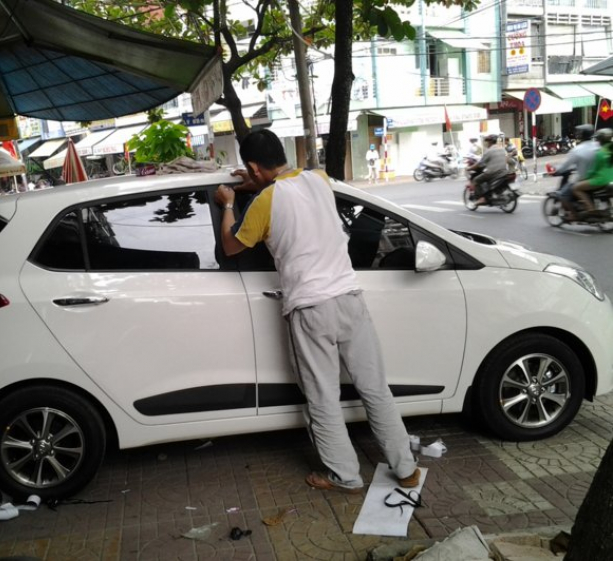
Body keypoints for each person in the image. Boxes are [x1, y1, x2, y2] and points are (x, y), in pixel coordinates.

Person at [214, 130, 419, 494]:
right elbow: (285, 192)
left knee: (323, 398)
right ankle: (406, 469)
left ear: (252, 167)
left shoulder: (264, 204)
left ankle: (345, 475)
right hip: (350, 300)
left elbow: (231, 246)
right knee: (375, 389)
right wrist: (255, 185)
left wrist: (229, 202)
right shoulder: (319, 179)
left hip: (311, 309)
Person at [552, 124, 598, 219]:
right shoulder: (598, 146)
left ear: (580, 135)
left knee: (563, 194)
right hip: (597, 177)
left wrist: (557, 171)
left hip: (584, 179)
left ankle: (573, 215)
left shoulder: (577, 150)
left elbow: (566, 165)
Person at [571, 128, 613, 217]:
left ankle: (591, 209)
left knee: (576, 188)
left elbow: (594, 170)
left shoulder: (600, 153)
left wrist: (585, 177)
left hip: (601, 179)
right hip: (610, 179)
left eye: (598, 139)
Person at [468, 134, 507, 205]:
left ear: (490, 142)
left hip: (493, 173)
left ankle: (482, 198)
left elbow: (480, 163)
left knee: (475, 180)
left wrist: (469, 168)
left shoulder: (489, 151)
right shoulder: (502, 149)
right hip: (504, 172)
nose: (487, 143)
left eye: (488, 142)